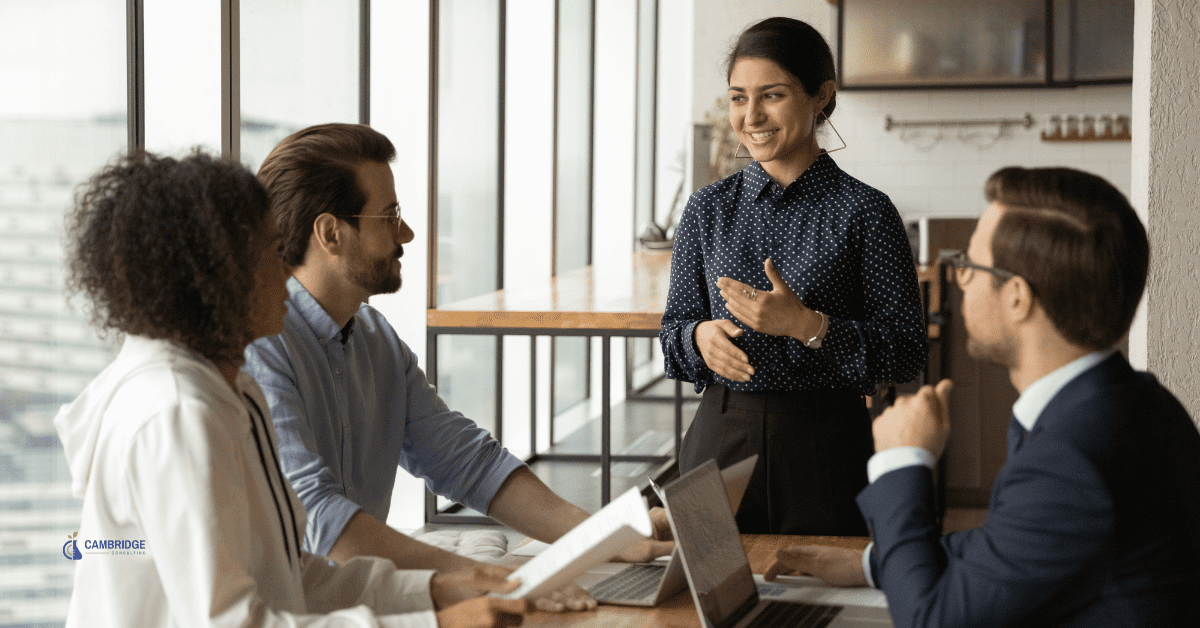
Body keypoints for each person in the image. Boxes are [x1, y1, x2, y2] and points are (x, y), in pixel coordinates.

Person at [55, 151, 527, 627]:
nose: (287, 268)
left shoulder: (232, 390)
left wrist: (435, 589)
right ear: (211, 279)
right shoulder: (177, 414)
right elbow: (234, 622)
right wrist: (436, 623)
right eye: (268, 251)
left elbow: (288, 576)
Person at [243, 123, 670, 601]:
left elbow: (468, 462)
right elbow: (319, 522)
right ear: (330, 233)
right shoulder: (259, 349)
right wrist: (490, 582)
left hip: (367, 598)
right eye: (389, 216)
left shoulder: (376, 337)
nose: (405, 232)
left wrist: (607, 535)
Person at [765, 167, 1200, 626]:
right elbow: (1013, 544)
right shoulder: (1136, 404)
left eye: (970, 264)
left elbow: (932, 621)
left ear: (1017, 297)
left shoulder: (1073, 457)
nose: (961, 281)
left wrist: (904, 460)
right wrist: (872, 563)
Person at [660, 17, 927, 536]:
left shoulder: (866, 212)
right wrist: (698, 337)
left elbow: (907, 351)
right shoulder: (706, 210)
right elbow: (672, 333)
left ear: (820, 96)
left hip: (825, 445)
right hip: (718, 436)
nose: (751, 116)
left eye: (772, 96)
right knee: (702, 604)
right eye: (739, 97)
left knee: (822, 602)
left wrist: (808, 324)